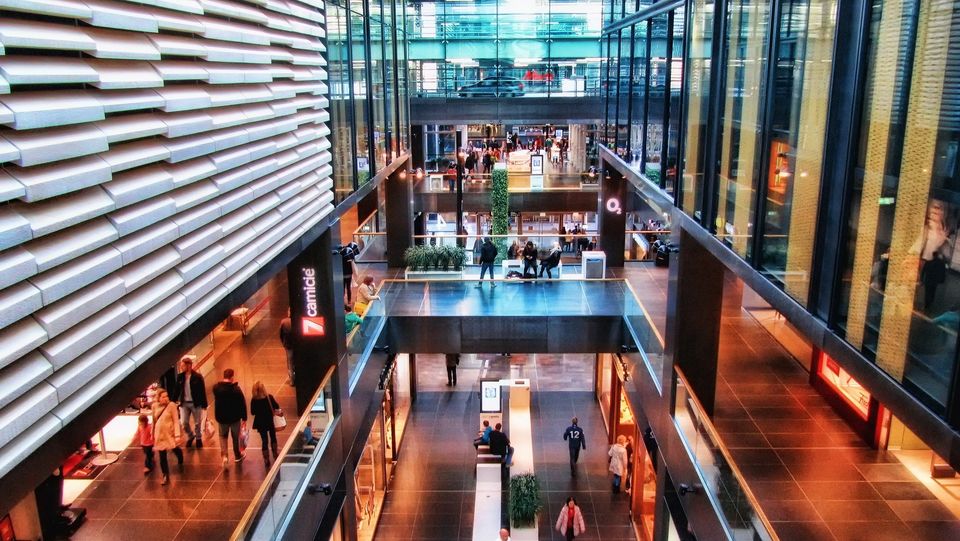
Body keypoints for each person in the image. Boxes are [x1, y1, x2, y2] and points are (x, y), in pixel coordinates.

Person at [213, 368, 248, 468]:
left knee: (223, 436)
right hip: (234, 418)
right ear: (232, 377)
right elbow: (242, 403)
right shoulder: (236, 389)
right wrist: (244, 418)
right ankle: (237, 455)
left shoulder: (216, 388)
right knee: (235, 437)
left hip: (222, 418)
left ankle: (224, 456)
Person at [152, 388, 184, 485]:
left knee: (173, 447)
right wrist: (152, 432)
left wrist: (177, 435)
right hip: (159, 434)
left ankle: (179, 455)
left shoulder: (172, 405)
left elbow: (175, 420)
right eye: (163, 397)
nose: (166, 398)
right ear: (158, 398)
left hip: (169, 433)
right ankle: (165, 474)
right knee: (162, 455)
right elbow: (154, 420)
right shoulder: (154, 406)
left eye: (167, 396)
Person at [175, 356, 207, 449]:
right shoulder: (180, 377)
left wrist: (204, 404)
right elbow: (177, 389)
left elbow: (202, 391)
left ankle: (198, 438)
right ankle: (190, 435)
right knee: (184, 422)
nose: (181, 367)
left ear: (189, 365)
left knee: (197, 422)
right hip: (184, 403)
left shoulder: (197, 377)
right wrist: (173, 401)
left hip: (195, 403)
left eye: (183, 365)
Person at [250, 381, 280, 465]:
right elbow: (277, 406)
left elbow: (252, 412)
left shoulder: (254, 400)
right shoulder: (269, 397)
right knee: (273, 437)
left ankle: (266, 459)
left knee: (264, 440)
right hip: (270, 420)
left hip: (260, 422)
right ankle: (275, 453)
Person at [279, 309, 295, 386]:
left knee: (290, 363)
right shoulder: (297, 321)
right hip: (296, 346)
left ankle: (292, 380)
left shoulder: (284, 322)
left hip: (288, 346)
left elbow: (280, 334)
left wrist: (283, 343)